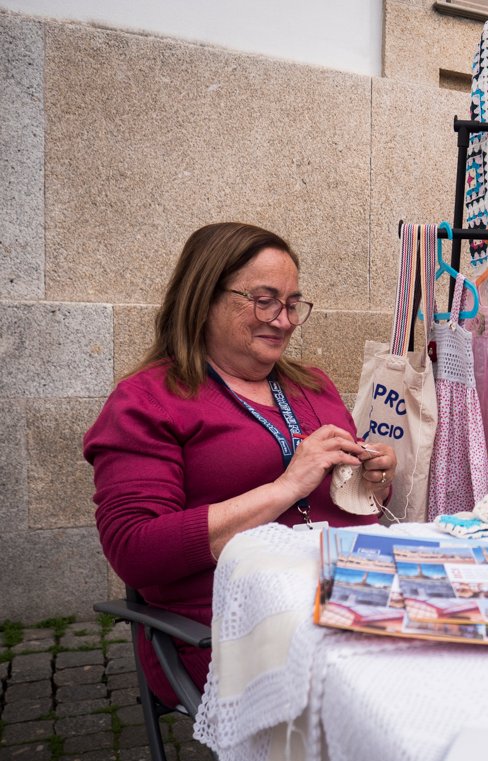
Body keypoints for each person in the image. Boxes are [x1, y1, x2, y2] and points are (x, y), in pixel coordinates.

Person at [83, 222, 396, 708]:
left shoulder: (312, 386)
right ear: (204, 297)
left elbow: (342, 501)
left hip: (350, 593)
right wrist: (285, 486)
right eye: (264, 300)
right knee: (384, 691)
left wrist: (372, 479)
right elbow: (135, 549)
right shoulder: (147, 401)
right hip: (231, 626)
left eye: (293, 304)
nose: (285, 320)